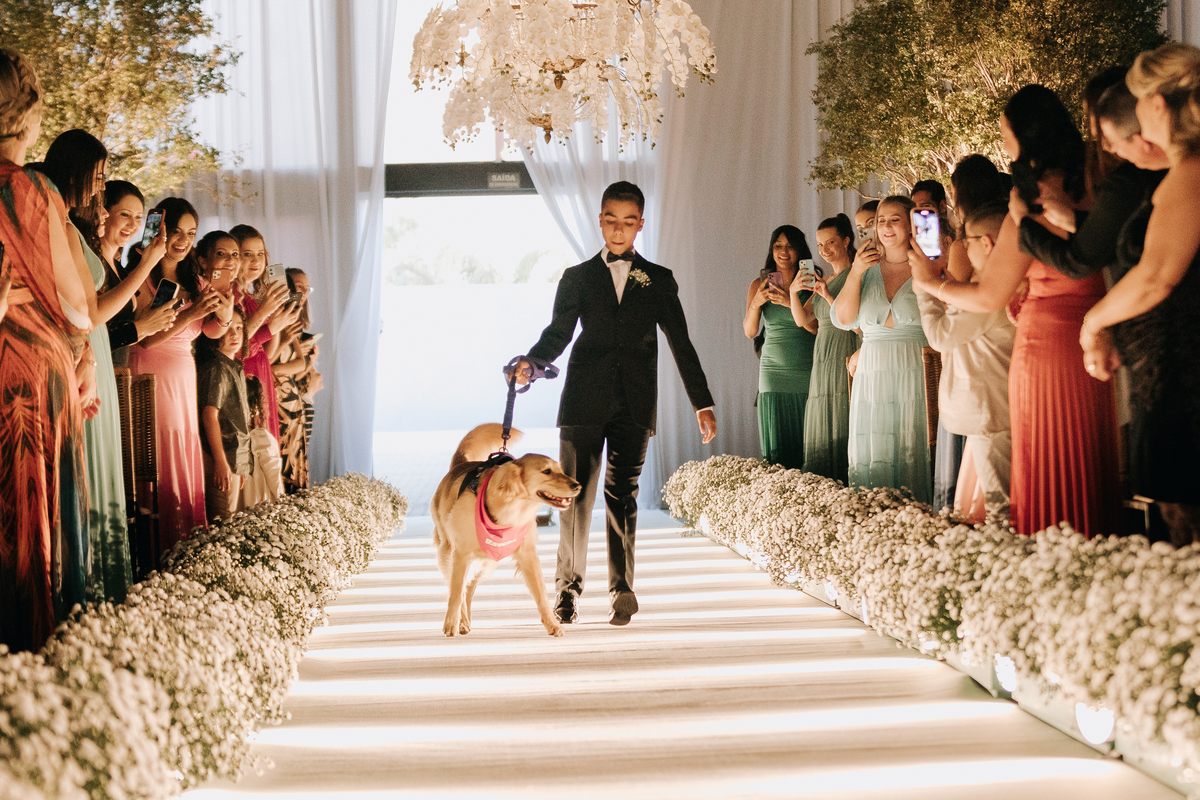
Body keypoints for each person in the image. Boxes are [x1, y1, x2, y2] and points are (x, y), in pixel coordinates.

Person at [911, 85, 1121, 537]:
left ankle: (1050, 548)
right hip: (1094, 334)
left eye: (1006, 135)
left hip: (1045, 343)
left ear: (1026, 138)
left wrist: (932, 284)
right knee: (1086, 452)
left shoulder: (1028, 201)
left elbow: (989, 295)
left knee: (1046, 455)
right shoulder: (1098, 183)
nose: (1005, 146)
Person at [515, 181, 716, 627]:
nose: (619, 230)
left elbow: (681, 342)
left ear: (640, 224)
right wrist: (531, 363)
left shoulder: (658, 279)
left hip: (635, 404)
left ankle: (622, 589)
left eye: (628, 222)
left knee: (622, 495)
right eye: (611, 221)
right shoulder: (577, 277)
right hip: (582, 401)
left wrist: (701, 401)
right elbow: (558, 333)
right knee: (572, 495)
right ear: (601, 221)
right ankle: (567, 590)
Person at [1080, 43, 1200, 545]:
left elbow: (1157, 276)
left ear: (1156, 103)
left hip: (1185, 380)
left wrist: (1094, 322)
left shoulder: (1191, 173)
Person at [37, 129, 162, 603]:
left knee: (105, 469)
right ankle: (87, 589)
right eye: (99, 176)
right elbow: (91, 314)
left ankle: (107, 585)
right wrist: (147, 264)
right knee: (87, 470)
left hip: (95, 359)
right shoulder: (62, 226)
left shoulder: (70, 229)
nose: (100, 188)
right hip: (81, 356)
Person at [0, 49, 94, 652]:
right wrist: (83, 348)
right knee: (38, 518)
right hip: (31, 371)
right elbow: (79, 307)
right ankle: (39, 649)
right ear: (28, 117)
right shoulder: (31, 188)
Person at [127, 202, 228, 555]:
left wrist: (225, 313)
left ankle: (187, 543)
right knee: (159, 452)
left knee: (184, 446)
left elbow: (212, 331)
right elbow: (145, 338)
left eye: (191, 234)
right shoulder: (142, 274)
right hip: (151, 371)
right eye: (175, 232)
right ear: (159, 231)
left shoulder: (195, 279)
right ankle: (158, 546)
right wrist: (189, 314)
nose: (183, 241)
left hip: (185, 375)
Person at [913, 202, 1016, 523]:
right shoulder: (994, 283)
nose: (963, 250)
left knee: (1002, 505)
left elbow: (940, 335)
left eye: (966, 242)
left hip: (990, 409)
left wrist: (924, 287)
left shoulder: (988, 290)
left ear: (986, 243)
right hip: (995, 405)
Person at [831, 195, 932, 504]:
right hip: (873, 374)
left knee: (913, 448)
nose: (886, 226)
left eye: (895, 219)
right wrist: (856, 271)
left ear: (911, 225)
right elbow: (843, 319)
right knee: (875, 450)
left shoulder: (926, 265)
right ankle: (874, 521)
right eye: (880, 221)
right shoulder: (866, 271)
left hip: (916, 369)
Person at [743, 225, 816, 469]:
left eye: (790, 246)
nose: (784, 252)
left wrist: (789, 302)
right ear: (771, 250)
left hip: (806, 370)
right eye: (778, 246)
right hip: (773, 373)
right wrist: (756, 303)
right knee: (778, 450)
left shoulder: (811, 281)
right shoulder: (760, 284)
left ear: (800, 250)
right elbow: (750, 331)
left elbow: (815, 328)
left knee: (809, 445)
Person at [802, 214, 861, 482]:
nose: (824, 250)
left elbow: (856, 323)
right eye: (820, 244)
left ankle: (845, 481)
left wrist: (827, 295)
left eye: (831, 242)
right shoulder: (825, 279)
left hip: (844, 348)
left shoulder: (856, 275)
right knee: (823, 412)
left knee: (841, 411)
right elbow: (804, 320)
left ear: (846, 241)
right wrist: (793, 291)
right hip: (822, 353)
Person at [97, 181, 177, 367]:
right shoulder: (93, 265)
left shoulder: (119, 269)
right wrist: (142, 327)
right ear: (103, 214)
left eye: (139, 217)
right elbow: (93, 337)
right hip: (97, 370)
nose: (133, 225)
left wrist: (150, 324)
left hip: (118, 371)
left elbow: (124, 338)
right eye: (125, 215)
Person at [230, 224, 296, 443]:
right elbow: (236, 348)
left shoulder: (249, 297)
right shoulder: (232, 295)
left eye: (260, 254)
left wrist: (275, 326)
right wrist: (268, 323)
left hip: (260, 373)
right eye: (247, 254)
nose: (256, 261)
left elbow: (263, 351)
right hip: (245, 376)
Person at [196, 305, 252, 521]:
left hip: (234, 458)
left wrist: (241, 465)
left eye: (239, 328)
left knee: (230, 521)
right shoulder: (217, 368)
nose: (234, 334)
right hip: (221, 457)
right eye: (228, 327)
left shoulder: (234, 365)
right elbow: (209, 415)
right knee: (222, 522)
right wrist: (220, 461)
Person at [273, 267, 319, 493]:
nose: (302, 293)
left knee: (294, 466)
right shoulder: (277, 319)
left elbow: (299, 366)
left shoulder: (294, 322)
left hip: (294, 402)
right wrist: (276, 369)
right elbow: (267, 365)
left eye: (306, 288)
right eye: (297, 287)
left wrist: (310, 361)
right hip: (278, 403)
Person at [242, 376, 284, 508]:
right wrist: (282, 502)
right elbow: (274, 476)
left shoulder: (238, 438)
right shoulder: (262, 437)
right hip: (258, 502)